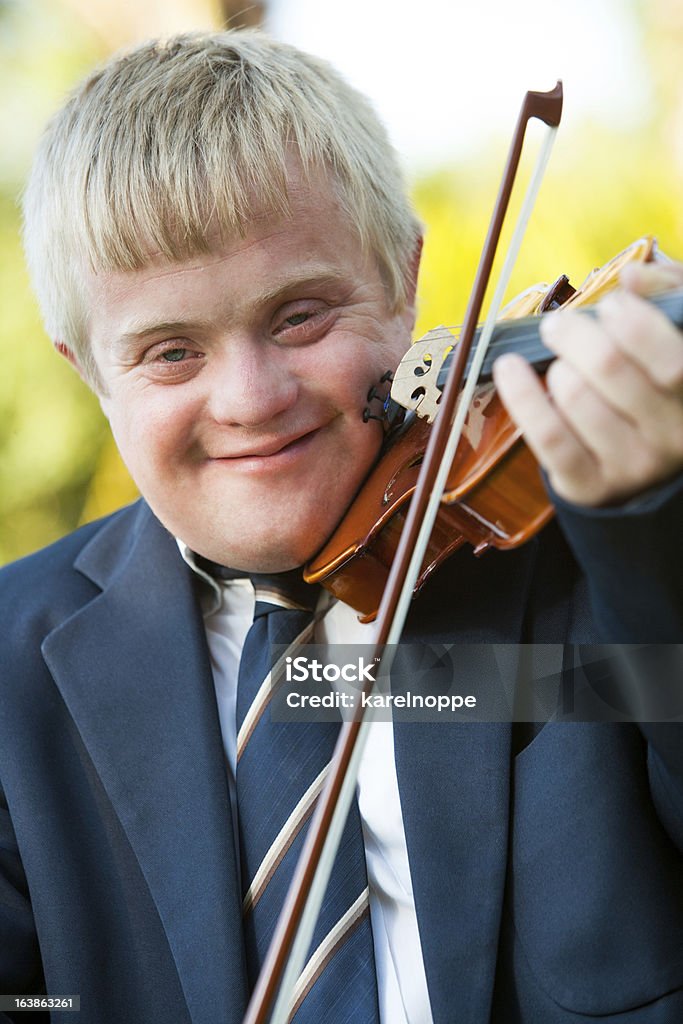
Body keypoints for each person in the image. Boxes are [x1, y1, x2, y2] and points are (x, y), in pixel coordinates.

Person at [1, 29, 682, 1024]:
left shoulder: (588, 570)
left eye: (299, 317)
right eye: (170, 352)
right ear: (86, 370)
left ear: (404, 279)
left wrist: (649, 541)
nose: (250, 397)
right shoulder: (13, 671)